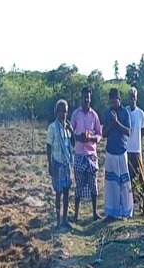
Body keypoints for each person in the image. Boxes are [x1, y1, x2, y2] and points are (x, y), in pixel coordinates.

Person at [70, 87, 102, 222]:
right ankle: (76, 214)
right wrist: (78, 138)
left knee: (93, 184)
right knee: (79, 185)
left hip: (91, 154)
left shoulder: (94, 115)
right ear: (81, 98)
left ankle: (94, 213)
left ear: (90, 98)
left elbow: (99, 134)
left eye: (88, 97)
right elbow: (70, 133)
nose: (86, 99)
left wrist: (91, 138)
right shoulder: (75, 114)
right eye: (84, 97)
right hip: (79, 154)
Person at [102, 88, 133, 220]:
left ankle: (126, 211)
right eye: (112, 101)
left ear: (119, 100)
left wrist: (117, 123)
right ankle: (112, 211)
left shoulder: (125, 112)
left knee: (124, 184)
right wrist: (111, 123)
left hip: (122, 152)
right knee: (111, 184)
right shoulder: (107, 113)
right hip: (110, 152)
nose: (114, 103)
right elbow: (104, 133)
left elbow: (128, 131)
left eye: (116, 100)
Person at [46, 99, 74, 229]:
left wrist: (72, 131)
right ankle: (58, 220)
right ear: (56, 112)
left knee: (67, 191)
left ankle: (65, 219)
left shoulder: (67, 127)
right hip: (57, 163)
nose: (64, 114)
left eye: (66, 112)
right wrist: (50, 164)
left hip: (66, 163)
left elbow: (72, 144)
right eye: (61, 111)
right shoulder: (52, 127)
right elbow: (48, 147)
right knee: (58, 192)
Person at [126, 87, 144, 215]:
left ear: (136, 97)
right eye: (130, 96)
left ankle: (143, 204)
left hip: (137, 150)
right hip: (127, 151)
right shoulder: (125, 112)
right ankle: (130, 204)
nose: (132, 98)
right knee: (128, 178)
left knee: (140, 178)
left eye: (134, 96)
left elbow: (142, 132)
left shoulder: (141, 113)